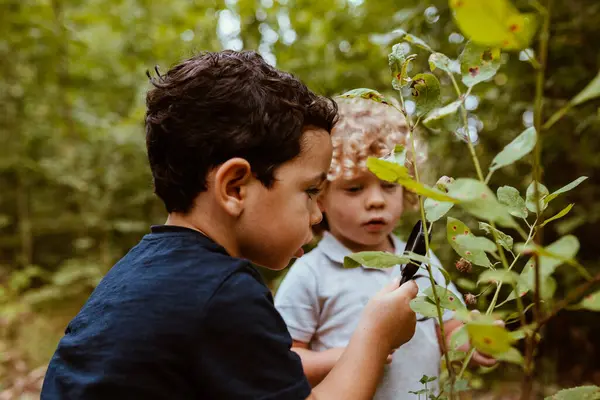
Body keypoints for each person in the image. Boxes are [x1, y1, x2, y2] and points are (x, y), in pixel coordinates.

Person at [40, 50, 419, 400]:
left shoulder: (139, 275)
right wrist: (376, 334)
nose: (317, 215)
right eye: (310, 190)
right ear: (234, 187)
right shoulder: (222, 294)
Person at [274, 97, 497, 399]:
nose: (376, 200)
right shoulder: (311, 273)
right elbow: (283, 361)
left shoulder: (421, 260)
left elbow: (448, 329)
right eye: (355, 188)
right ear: (320, 196)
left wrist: (475, 339)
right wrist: (352, 353)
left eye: (390, 185)